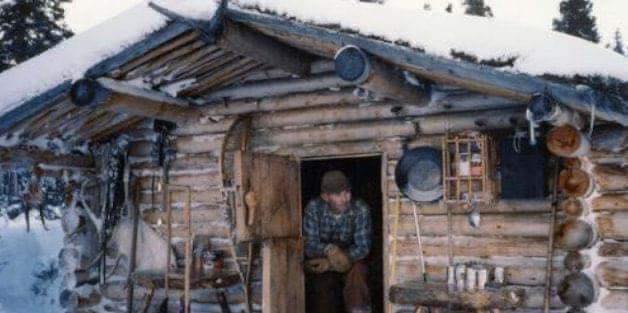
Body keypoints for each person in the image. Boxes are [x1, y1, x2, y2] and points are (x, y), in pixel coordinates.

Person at [303, 170, 372, 313]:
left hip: (351, 258)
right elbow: (310, 245)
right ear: (325, 196)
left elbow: (363, 247)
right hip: (323, 258)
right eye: (338, 194)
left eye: (347, 192)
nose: (345, 198)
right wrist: (329, 250)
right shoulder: (314, 208)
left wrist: (333, 264)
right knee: (322, 287)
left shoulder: (360, 208)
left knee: (358, 277)